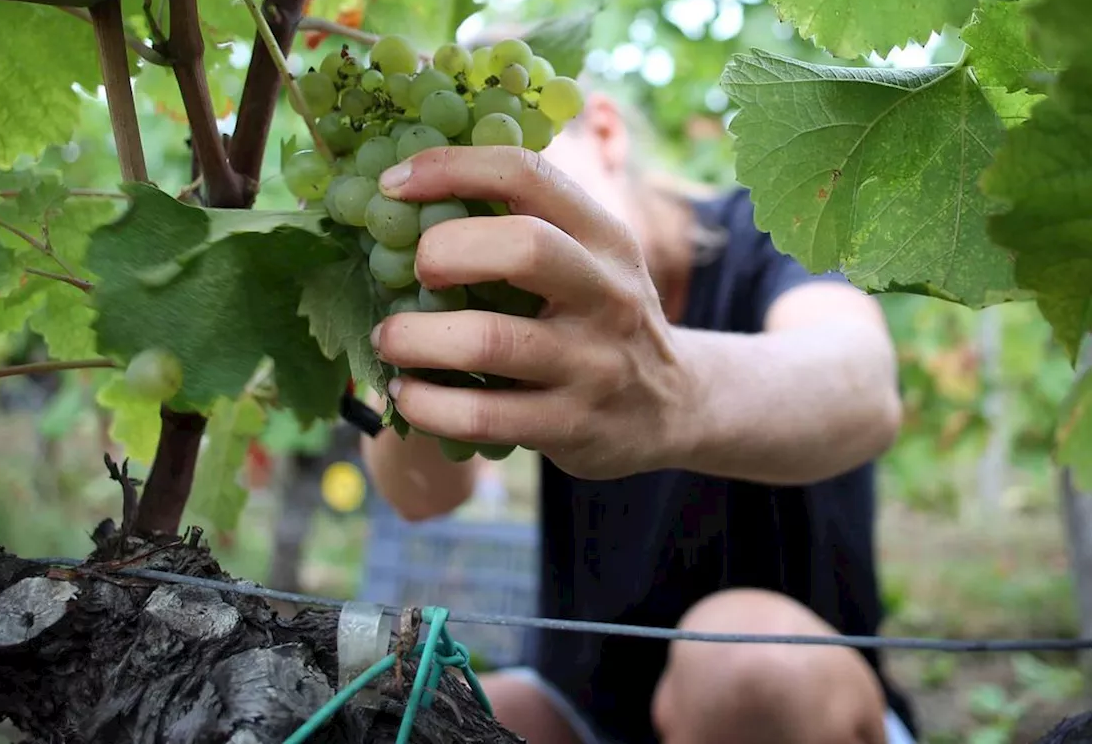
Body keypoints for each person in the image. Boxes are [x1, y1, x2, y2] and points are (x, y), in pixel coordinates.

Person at [356, 71, 919, 744]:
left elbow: (862, 384)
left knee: (744, 666)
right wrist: (420, 326)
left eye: (505, 171)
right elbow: (421, 493)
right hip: (584, 708)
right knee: (397, 712)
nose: (487, 220)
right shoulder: (525, 317)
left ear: (604, 130)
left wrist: (668, 387)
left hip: (792, 712)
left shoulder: (772, 233)